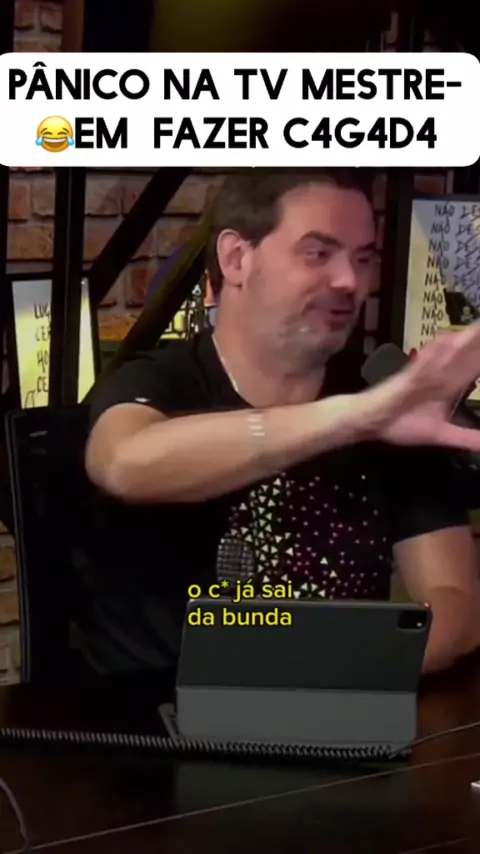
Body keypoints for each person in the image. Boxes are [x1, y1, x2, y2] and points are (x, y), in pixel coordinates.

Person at [84, 167, 480, 677]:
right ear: (236, 258)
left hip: (337, 703)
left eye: (363, 259)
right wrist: (359, 417)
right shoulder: (159, 381)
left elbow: (455, 600)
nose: (350, 281)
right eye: (318, 253)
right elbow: (122, 463)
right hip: (159, 713)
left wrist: (347, 673)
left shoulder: (386, 402)